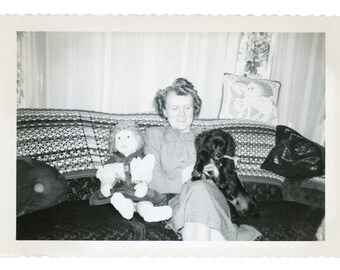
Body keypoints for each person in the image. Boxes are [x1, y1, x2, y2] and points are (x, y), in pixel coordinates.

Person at [143, 78, 262, 240]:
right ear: (164, 110)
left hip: (213, 199)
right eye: (174, 108)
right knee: (212, 238)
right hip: (176, 203)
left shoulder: (209, 136)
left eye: (187, 107)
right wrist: (197, 167)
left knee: (199, 189)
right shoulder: (153, 135)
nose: (182, 114)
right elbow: (157, 183)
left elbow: (229, 182)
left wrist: (225, 170)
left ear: (194, 109)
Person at [89, 121, 172, 222]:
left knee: (145, 203)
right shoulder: (112, 163)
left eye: (128, 137)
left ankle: (150, 213)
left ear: (138, 139)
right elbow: (107, 175)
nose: (123, 141)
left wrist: (144, 183)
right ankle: (125, 207)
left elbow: (147, 173)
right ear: (114, 143)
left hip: (139, 192)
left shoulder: (143, 159)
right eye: (119, 138)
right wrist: (106, 184)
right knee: (119, 197)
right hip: (121, 191)